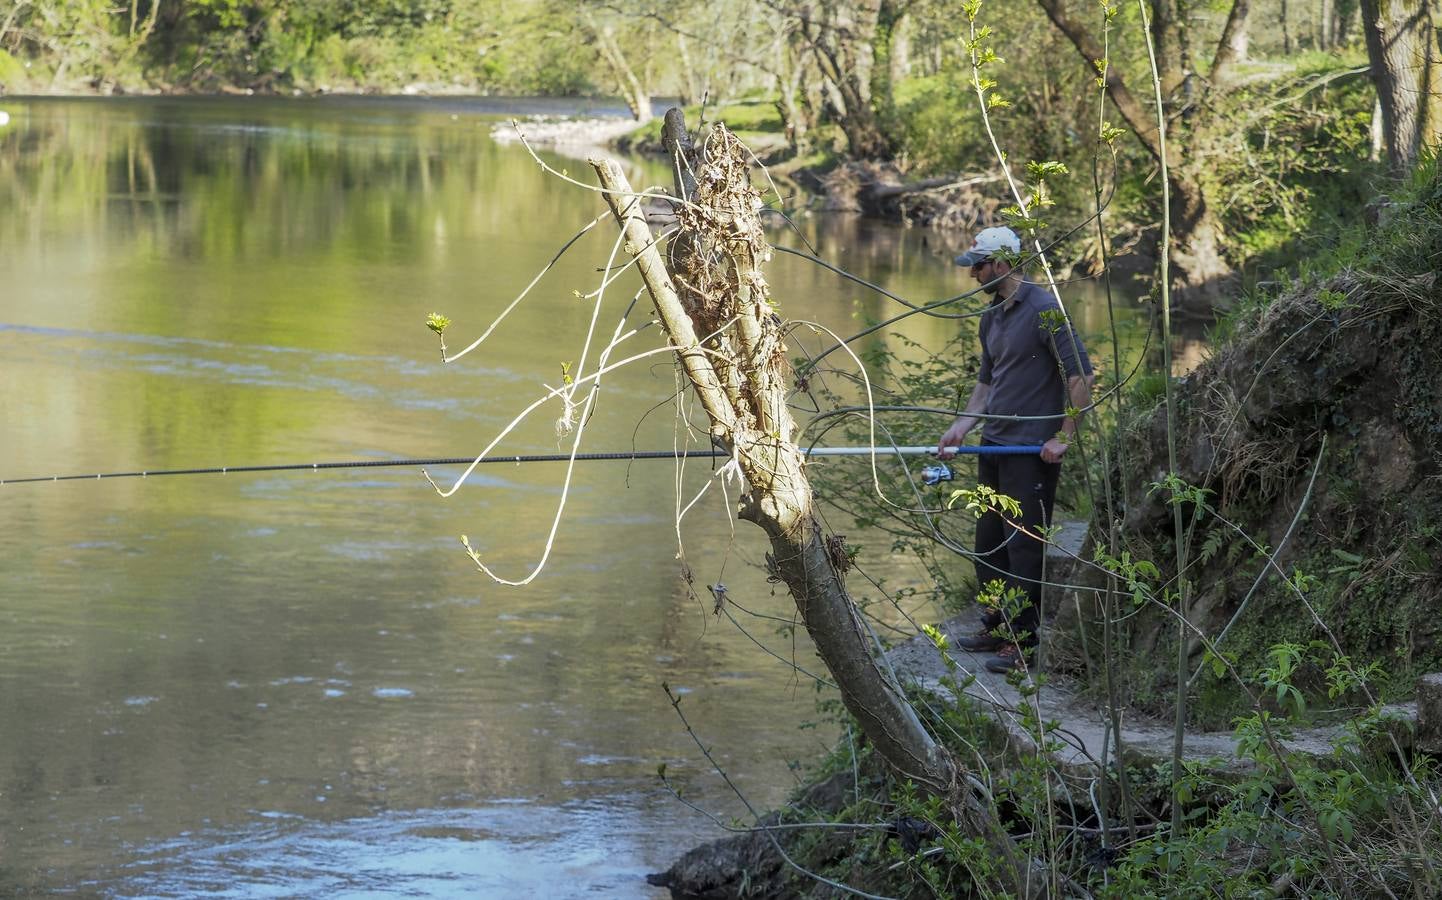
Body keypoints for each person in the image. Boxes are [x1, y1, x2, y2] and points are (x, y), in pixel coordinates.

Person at [937, 225, 1092, 674]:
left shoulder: (1046, 309)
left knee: (1022, 545)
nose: (973, 275)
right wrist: (961, 427)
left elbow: (1081, 378)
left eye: (978, 266)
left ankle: (1024, 642)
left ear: (1001, 264)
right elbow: (987, 383)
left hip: (1032, 452)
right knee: (988, 543)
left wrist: (1062, 437)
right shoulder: (992, 317)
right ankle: (997, 624)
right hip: (994, 445)